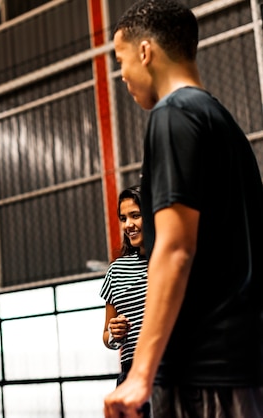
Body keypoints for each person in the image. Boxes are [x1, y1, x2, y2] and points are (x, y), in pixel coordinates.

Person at [104, 1, 263, 417]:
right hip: (240, 363)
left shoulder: (172, 116)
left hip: (203, 370)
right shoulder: (221, 122)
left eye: (120, 60)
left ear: (145, 52)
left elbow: (175, 249)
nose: (121, 75)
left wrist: (140, 374)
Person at [99, 185, 150, 416]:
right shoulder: (116, 270)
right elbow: (107, 337)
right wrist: (114, 334)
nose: (128, 224)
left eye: (135, 215)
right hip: (130, 375)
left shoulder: (170, 261)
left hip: (172, 370)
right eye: (123, 218)